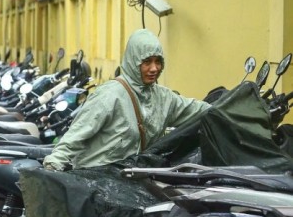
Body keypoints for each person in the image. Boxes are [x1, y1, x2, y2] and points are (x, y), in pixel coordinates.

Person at [43, 29, 210, 171]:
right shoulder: (109, 96)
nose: (154, 68)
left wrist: (232, 105)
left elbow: (200, 110)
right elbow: (74, 138)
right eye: (147, 62)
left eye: (158, 62)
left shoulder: (163, 98)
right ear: (133, 62)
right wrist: (52, 167)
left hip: (131, 184)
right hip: (95, 184)